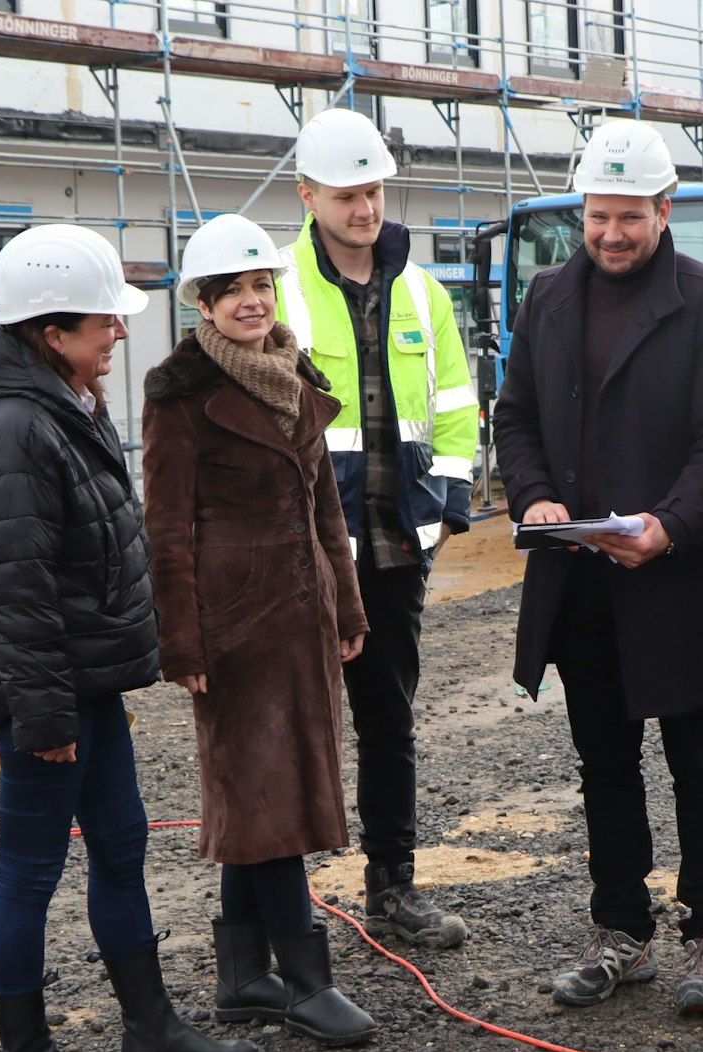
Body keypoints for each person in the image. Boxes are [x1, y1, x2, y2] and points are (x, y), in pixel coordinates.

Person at [0, 224, 264, 1052]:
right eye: (102, 323)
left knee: (121, 847)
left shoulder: (66, 402)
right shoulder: (15, 430)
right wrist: (43, 721)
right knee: (30, 872)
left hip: (86, 687)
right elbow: (14, 592)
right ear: (51, 332)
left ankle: (151, 1029)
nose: (119, 334)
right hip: (43, 700)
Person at [492, 119, 703, 1014]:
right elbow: (516, 415)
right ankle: (622, 929)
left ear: (664, 208)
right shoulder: (549, 298)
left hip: (674, 575)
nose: (610, 234)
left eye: (628, 217)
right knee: (603, 761)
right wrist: (532, 495)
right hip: (583, 582)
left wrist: (669, 525)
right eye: (597, 216)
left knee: (697, 759)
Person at [140, 212, 379, 1049]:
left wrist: (348, 606)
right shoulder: (180, 396)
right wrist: (183, 641)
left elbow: (326, 507)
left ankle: (245, 977)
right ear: (202, 304)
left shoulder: (291, 370)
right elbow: (166, 527)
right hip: (234, 627)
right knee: (268, 795)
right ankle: (307, 981)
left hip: (303, 615)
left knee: (268, 793)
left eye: (260, 284)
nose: (251, 299)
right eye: (231, 289)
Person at [274, 108, 479, 949]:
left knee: (387, 721)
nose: (366, 209)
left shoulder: (422, 290)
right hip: (302, 551)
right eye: (349, 194)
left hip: (394, 546)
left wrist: (451, 499)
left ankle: (392, 884)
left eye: (375, 192)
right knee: (288, 725)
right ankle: (277, 911)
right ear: (308, 194)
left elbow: (458, 402)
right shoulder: (275, 284)